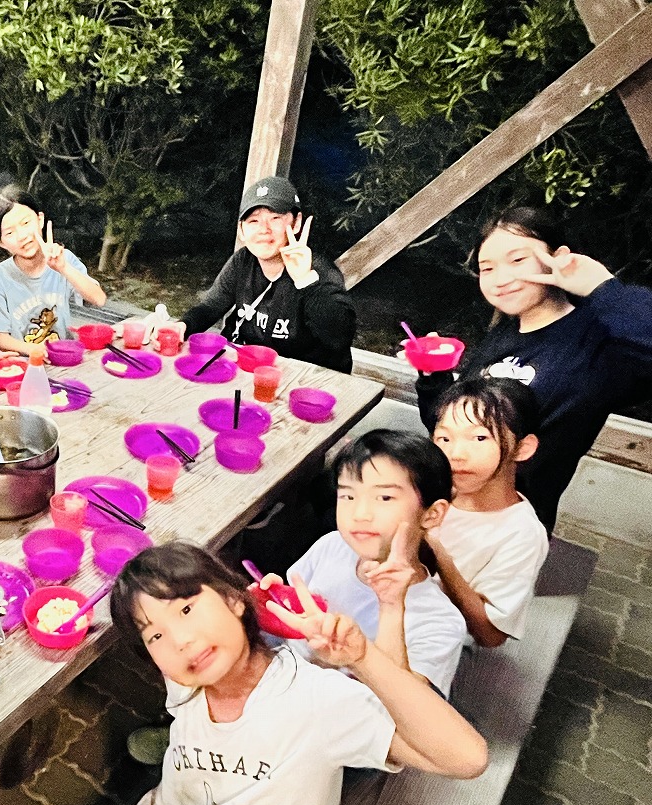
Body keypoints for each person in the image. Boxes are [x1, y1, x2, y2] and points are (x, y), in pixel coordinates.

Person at [20, 542, 487, 805]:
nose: (181, 640)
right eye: (155, 635)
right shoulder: (188, 678)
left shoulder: (315, 700)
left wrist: (364, 657)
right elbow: (160, 589)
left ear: (232, 599)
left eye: (187, 609)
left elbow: (466, 758)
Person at [415, 206, 652, 533]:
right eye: (487, 268)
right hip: (449, 507)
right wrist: (433, 376)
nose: (501, 279)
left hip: (510, 526)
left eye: (517, 260)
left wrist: (604, 289)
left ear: (559, 258)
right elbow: (451, 428)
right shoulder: (503, 333)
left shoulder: (598, 342)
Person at [258, 430, 466, 699]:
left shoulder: (440, 621)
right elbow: (287, 632)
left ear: (432, 514)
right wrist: (271, 604)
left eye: (384, 498)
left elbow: (403, 710)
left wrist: (391, 607)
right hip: (276, 689)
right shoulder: (331, 546)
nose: (360, 514)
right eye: (348, 496)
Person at [181, 176, 356, 373]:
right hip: (245, 368)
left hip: (301, 379)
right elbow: (210, 307)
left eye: (275, 218)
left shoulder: (319, 271)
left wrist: (305, 281)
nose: (264, 229)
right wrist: (182, 326)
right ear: (241, 231)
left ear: (296, 223)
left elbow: (339, 338)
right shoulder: (243, 261)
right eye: (253, 220)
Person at [428, 377, 550, 648]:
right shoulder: (434, 490)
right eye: (444, 438)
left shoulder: (522, 534)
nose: (456, 453)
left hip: (441, 644)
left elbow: (491, 635)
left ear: (522, 448)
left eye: (480, 438)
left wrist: (438, 556)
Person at [0, 186, 107, 354]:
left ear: (40, 220)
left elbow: (99, 299)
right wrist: (39, 351)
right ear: (0, 242)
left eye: (26, 223)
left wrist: (63, 268)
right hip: (24, 362)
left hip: (64, 357)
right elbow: (1, 339)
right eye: (9, 233)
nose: (22, 236)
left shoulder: (64, 259)